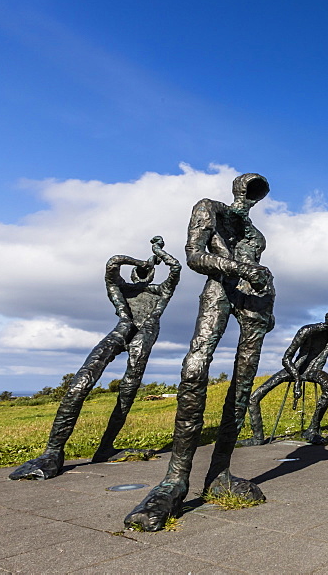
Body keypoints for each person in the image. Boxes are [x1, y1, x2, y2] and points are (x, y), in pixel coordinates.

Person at [125, 173, 274, 531]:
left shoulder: (255, 234)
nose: (251, 197)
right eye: (248, 190)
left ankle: (219, 473)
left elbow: (258, 270)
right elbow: (194, 256)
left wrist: (268, 305)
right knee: (194, 368)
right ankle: (175, 480)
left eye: (257, 193)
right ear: (238, 188)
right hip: (221, 290)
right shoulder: (209, 209)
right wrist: (240, 268)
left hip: (256, 303)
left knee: (241, 387)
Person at [10, 236, 180, 480]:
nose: (142, 273)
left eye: (146, 271)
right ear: (134, 272)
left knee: (127, 392)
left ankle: (105, 448)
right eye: (138, 270)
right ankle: (53, 451)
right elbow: (113, 263)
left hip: (144, 336)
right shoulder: (120, 288)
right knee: (81, 382)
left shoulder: (162, 290)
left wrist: (157, 251)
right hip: (121, 330)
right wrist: (144, 260)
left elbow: (175, 268)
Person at [238, 308, 328, 446]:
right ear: (327, 321)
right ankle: (257, 437)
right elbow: (286, 358)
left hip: (314, 370)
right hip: (294, 369)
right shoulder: (306, 330)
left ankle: (312, 429)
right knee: (254, 398)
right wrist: (297, 380)